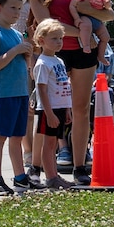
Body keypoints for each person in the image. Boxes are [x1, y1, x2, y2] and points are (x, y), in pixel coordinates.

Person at [19, 0, 110, 184]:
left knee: (81, 109)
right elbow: (47, 26)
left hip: (83, 50)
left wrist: (93, 23)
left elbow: (105, 10)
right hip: (51, 54)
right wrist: (83, 29)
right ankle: (35, 167)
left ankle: (80, 167)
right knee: (46, 111)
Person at [0, 0, 33, 195]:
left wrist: (27, 54)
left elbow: (22, 66)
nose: (16, 13)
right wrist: (15, 51)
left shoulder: (16, 33)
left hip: (20, 93)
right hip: (3, 95)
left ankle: (20, 177)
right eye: (12, 8)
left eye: (19, 8)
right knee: (0, 137)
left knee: (17, 137)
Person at [29, 19, 76, 191]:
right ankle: (51, 178)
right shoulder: (42, 63)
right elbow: (41, 89)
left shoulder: (59, 61)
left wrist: (68, 109)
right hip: (49, 109)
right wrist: (49, 113)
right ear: (41, 41)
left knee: (55, 144)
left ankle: (54, 175)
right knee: (48, 145)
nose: (59, 42)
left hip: (61, 107)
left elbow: (65, 86)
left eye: (60, 38)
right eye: (54, 39)